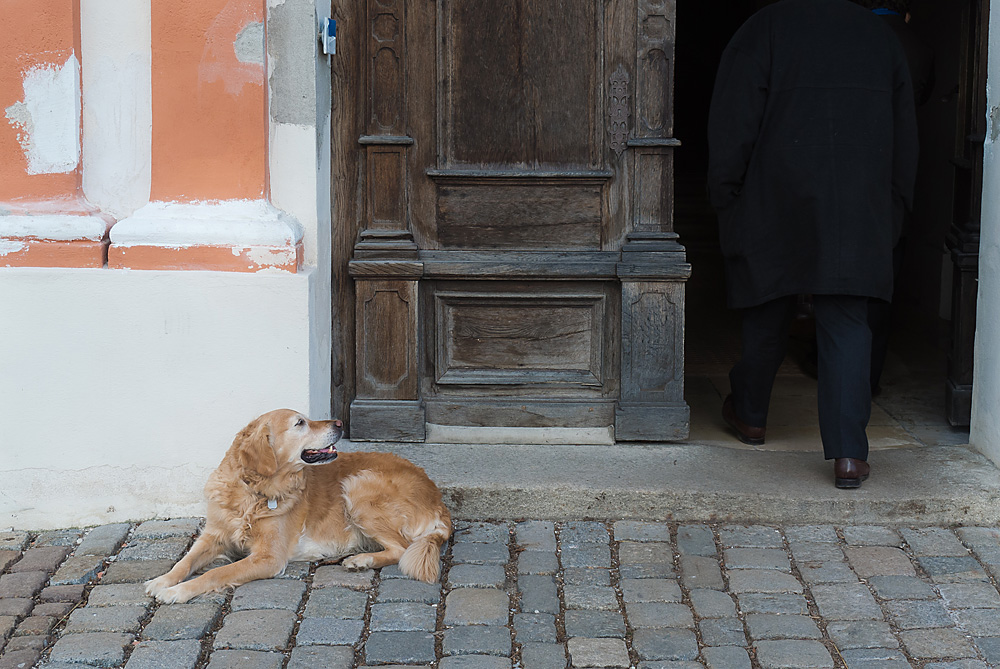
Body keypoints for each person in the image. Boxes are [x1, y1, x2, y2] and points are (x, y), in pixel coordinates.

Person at [707, 0, 919, 488]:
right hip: (857, 205)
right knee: (847, 320)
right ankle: (849, 455)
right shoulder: (879, 37)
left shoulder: (763, 28)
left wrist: (726, 194)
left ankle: (751, 415)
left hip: (774, 195)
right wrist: (895, 208)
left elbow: (734, 119)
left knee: (766, 307)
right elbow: (905, 136)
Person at [860, 0, 935, 395]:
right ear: (906, 11)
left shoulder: (851, 37)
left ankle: (834, 371)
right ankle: (869, 378)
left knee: (839, 290)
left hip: (849, 176)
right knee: (882, 286)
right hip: (894, 181)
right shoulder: (918, 46)